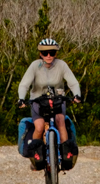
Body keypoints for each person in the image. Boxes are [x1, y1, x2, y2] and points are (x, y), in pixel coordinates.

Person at [16, 38, 82, 169]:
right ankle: (36, 158)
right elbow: (24, 84)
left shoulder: (61, 65)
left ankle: (66, 156)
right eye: (45, 53)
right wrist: (21, 99)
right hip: (38, 102)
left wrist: (77, 95)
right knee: (39, 127)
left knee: (60, 121)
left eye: (52, 53)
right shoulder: (35, 66)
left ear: (56, 53)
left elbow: (73, 82)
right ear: (40, 54)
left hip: (58, 101)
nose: (48, 56)